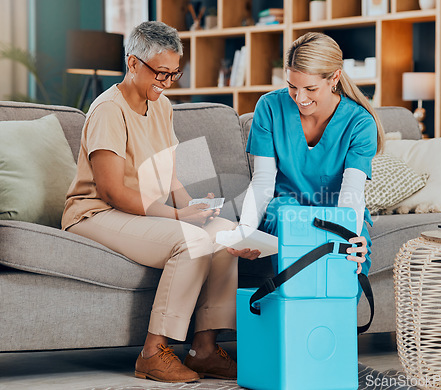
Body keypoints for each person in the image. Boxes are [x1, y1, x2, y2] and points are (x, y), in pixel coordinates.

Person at [61, 21, 237, 383]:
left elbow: (169, 173)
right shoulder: (107, 110)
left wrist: (194, 208)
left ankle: (204, 350)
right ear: (133, 63)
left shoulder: (162, 106)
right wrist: (177, 216)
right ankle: (152, 353)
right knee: (191, 241)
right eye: (161, 72)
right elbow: (111, 191)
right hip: (95, 213)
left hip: (143, 212)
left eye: (174, 74)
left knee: (225, 234)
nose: (167, 82)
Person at [228, 32, 385, 295]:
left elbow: (352, 194)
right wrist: (245, 230)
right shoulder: (269, 107)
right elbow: (264, 181)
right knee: (287, 216)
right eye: (292, 86)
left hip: (338, 215)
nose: (299, 98)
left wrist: (350, 238)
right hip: (287, 213)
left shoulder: (360, 123)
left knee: (349, 267)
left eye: (310, 89)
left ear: (334, 77)